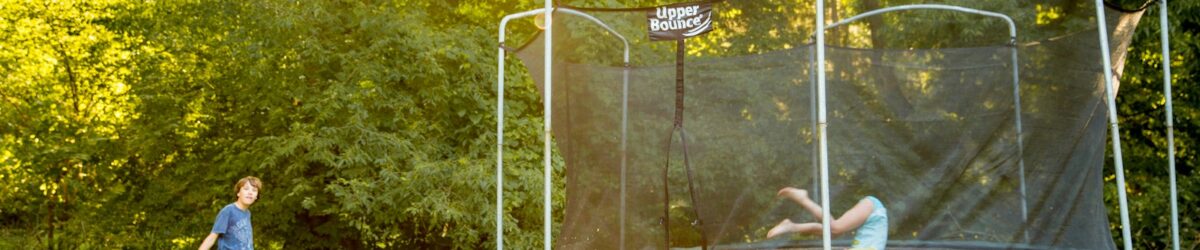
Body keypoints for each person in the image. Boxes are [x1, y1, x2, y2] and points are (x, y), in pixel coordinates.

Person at [766, 187, 888, 250]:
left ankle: (792, 226)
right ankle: (803, 198)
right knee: (836, 228)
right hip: (874, 209)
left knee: (830, 234)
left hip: (872, 216)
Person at [199, 176, 261, 250]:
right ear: (238, 193)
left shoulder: (247, 213)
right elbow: (212, 237)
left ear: (256, 196)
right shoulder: (228, 211)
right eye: (246, 189)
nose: (250, 192)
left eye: (254, 190)